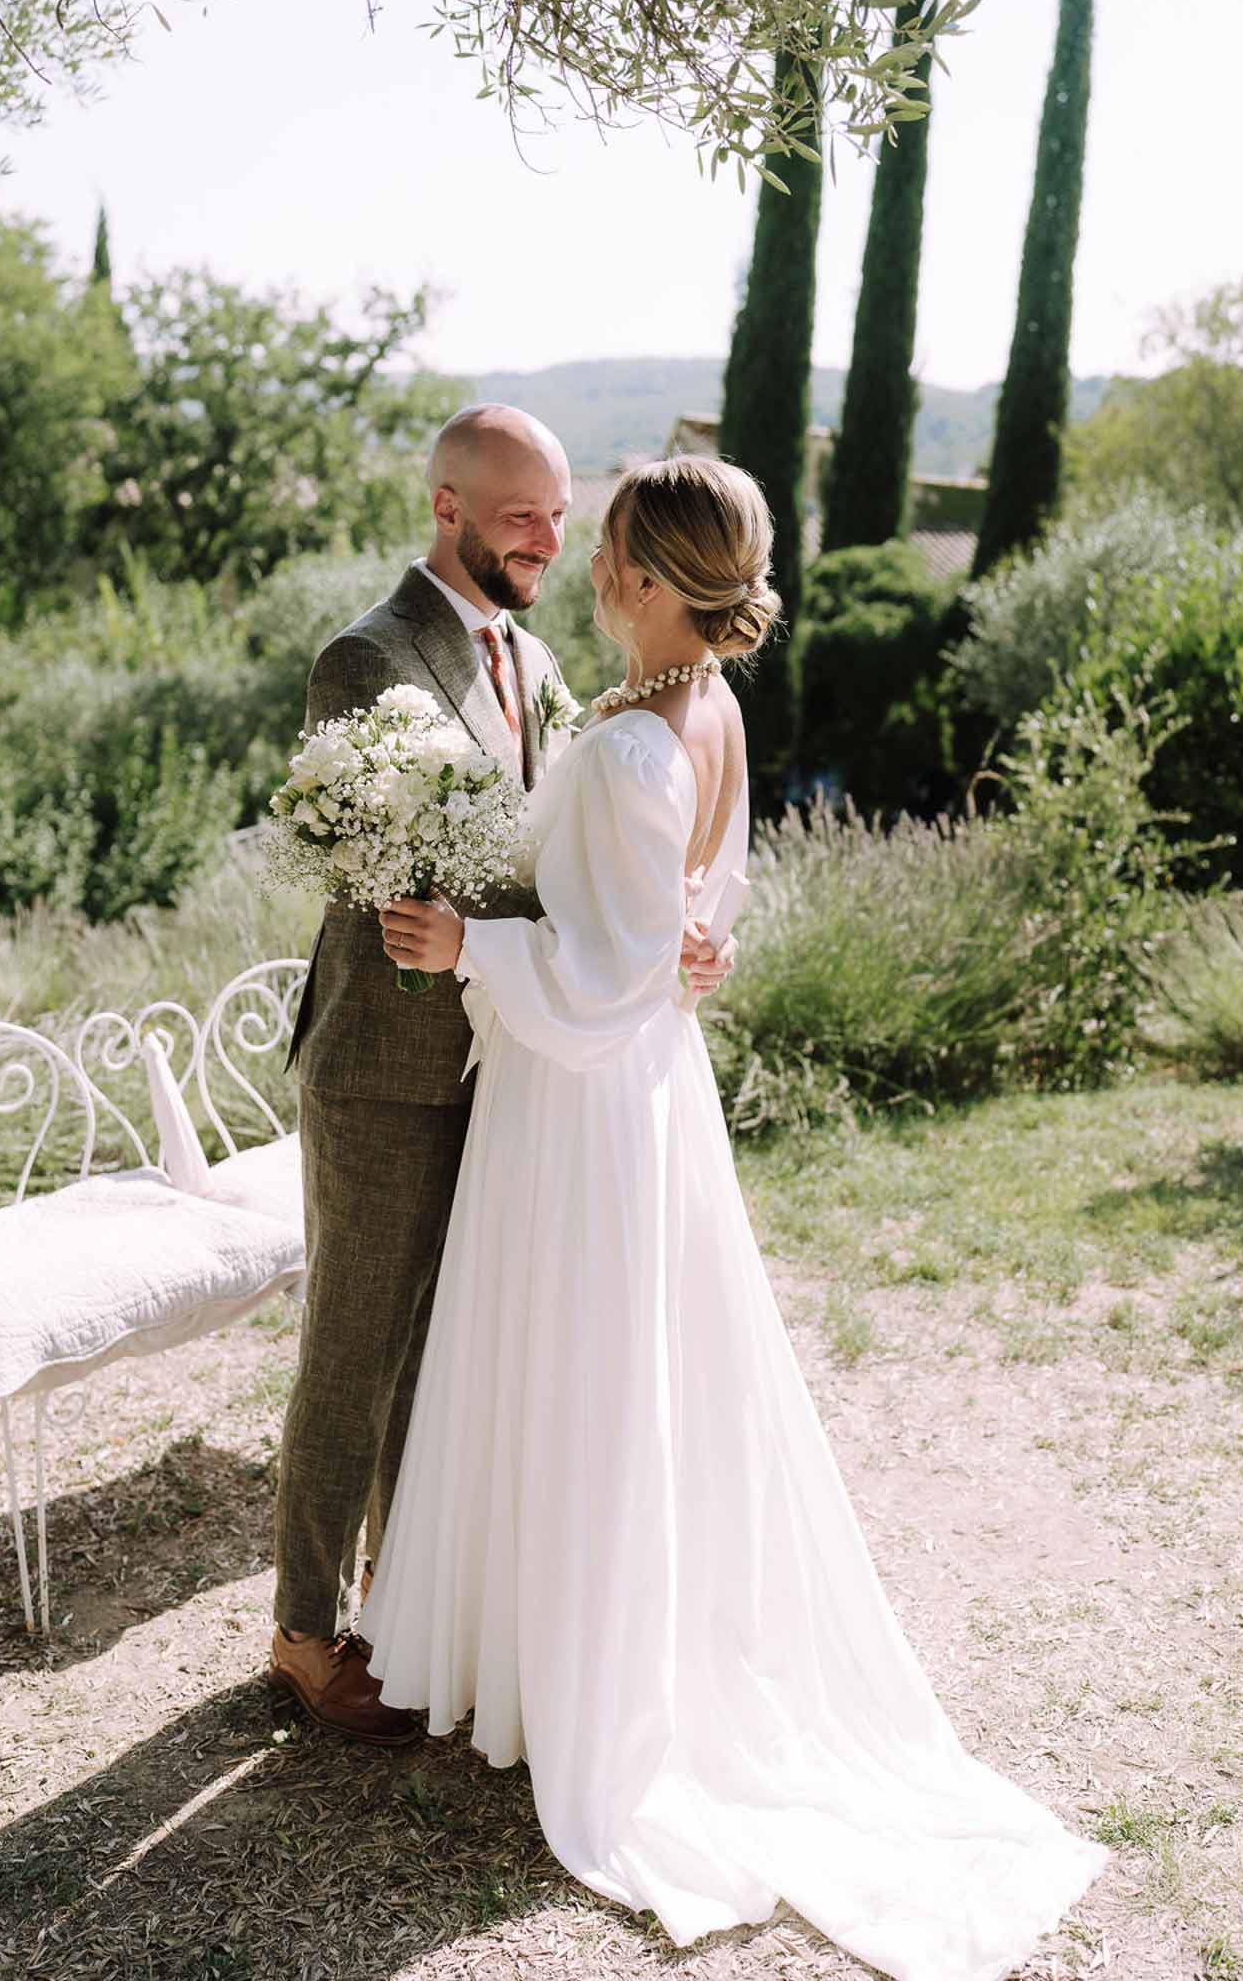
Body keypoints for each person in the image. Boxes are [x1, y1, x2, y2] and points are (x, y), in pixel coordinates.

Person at [361, 455, 1109, 1976]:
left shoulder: (645, 738)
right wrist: (664, 939)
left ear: (643, 570)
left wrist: (466, 951)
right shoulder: (699, 706)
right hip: (630, 1095)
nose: (585, 562)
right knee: (604, 1376)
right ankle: (545, 1659)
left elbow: (618, 964)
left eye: (606, 541)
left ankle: (580, 1687)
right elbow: (709, 913)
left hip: (585, 1107)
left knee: (580, 1375)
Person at [269, 408, 731, 1747]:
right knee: (353, 1352)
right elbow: (421, 858)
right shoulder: (370, 658)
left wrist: (657, 929)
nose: (548, 536)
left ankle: (404, 1603)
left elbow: (561, 850)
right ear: (447, 509)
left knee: (444, 1352)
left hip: (514, 1055)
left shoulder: (534, 656)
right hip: (387, 1058)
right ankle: (303, 1635)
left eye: (560, 511)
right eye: (520, 512)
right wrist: (604, 944)